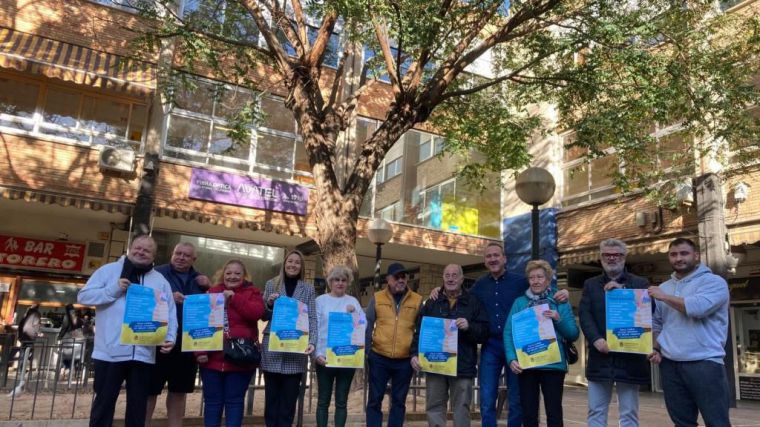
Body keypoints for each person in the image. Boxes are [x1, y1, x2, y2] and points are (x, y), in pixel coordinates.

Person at [429, 243, 568, 427]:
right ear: (485, 261)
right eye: (488, 256)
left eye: (496, 255)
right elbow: (462, 296)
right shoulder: (479, 285)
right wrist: (439, 291)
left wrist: (562, 292)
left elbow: (541, 286)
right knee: (487, 397)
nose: (493, 259)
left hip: (516, 345)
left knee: (516, 398)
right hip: (490, 345)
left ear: (504, 259)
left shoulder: (520, 282)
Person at [77, 235, 178, 427]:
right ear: (129, 248)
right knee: (104, 404)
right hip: (109, 353)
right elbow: (83, 296)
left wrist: (170, 337)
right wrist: (113, 290)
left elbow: (170, 312)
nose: (141, 252)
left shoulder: (160, 280)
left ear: (154, 255)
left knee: (138, 407)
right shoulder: (108, 271)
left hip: (143, 354)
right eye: (138, 248)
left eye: (147, 250)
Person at [648, 238, 731, 427]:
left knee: (717, 422)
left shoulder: (714, 282)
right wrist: (656, 348)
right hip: (670, 365)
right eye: (673, 254)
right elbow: (658, 323)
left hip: (705, 363)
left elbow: (698, 308)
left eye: (684, 253)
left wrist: (665, 297)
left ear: (696, 256)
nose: (678, 258)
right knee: (682, 423)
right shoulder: (664, 287)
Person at [578, 238, 650, 427]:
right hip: (600, 357)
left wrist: (624, 292)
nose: (611, 258)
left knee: (629, 413)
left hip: (630, 358)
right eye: (606, 255)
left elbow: (649, 312)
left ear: (624, 257)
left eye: (616, 255)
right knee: (596, 411)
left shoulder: (640, 283)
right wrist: (595, 339)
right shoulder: (590, 284)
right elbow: (585, 316)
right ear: (600, 258)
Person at [410, 264, 489, 427]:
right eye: (447, 275)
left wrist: (469, 326)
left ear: (461, 279)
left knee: (461, 408)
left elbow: (484, 332)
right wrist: (414, 354)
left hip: (463, 365)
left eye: (455, 275)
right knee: (434, 406)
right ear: (443, 278)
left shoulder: (473, 302)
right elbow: (419, 330)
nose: (451, 278)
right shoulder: (432, 302)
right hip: (435, 364)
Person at [504, 260, 579, 427]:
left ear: (548, 279)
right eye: (532, 277)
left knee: (554, 414)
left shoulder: (559, 300)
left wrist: (558, 319)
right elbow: (509, 332)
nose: (535, 281)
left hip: (553, 366)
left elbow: (573, 334)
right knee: (529, 415)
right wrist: (511, 358)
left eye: (540, 277)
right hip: (527, 365)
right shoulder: (519, 303)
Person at [147, 242, 211, 427]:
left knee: (179, 392)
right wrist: (167, 298)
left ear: (194, 259)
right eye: (178, 253)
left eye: (186, 255)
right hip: (159, 342)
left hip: (187, 344)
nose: (181, 257)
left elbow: (211, 307)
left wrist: (208, 287)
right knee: (149, 392)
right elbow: (141, 300)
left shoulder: (200, 279)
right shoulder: (156, 274)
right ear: (172, 254)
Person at [196, 259, 264, 427]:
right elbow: (200, 322)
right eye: (229, 273)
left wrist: (235, 298)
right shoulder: (212, 292)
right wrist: (199, 352)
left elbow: (256, 313)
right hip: (212, 359)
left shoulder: (253, 292)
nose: (232, 276)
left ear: (244, 276)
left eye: (237, 273)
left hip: (240, 359)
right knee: (212, 403)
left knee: (234, 402)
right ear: (222, 274)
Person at [261, 249, 317, 427]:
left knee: (288, 404)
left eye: (297, 262)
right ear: (284, 264)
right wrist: (269, 304)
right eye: (290, 261)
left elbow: (312, 317)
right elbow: (262, 314)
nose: (293, 265)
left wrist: (312, 341)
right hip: (273, 349)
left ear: (301, 267)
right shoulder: (272, 284)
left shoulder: (308, 289)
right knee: (271, 401)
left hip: (296, 350)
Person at [365, 262, 423, 427]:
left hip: (405, 361)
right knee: (375, 400)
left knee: (399, 402)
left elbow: (421, 330)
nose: (401, 280)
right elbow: (368, 324)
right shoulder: (377, 298)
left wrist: (415, 354)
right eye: (396, 277)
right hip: (379, 357)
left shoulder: (417, 300)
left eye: (403, 277)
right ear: (388, 280)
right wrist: (368, 352)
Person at [313, 265, 366, 427]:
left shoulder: (353, 301)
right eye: (336, 279)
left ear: (348, 282)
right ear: (330, 281)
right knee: (323, 400)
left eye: (344, 280)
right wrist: (316, 354)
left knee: (342, 401)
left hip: (347, 358)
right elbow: (313, 327)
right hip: (324, 358)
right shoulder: (320, 301)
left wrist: (355, 314)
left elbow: (364, 325)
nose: (340, 283)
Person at [58, 303, 86, 375]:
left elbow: (64, 328)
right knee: (73, 357)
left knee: (65, 356)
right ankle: (70, 371)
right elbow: (82, 326)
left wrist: (60, 337)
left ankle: (64, 370)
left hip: (68, 339)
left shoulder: (67, 317)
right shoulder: (77, 317)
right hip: (77, 340)